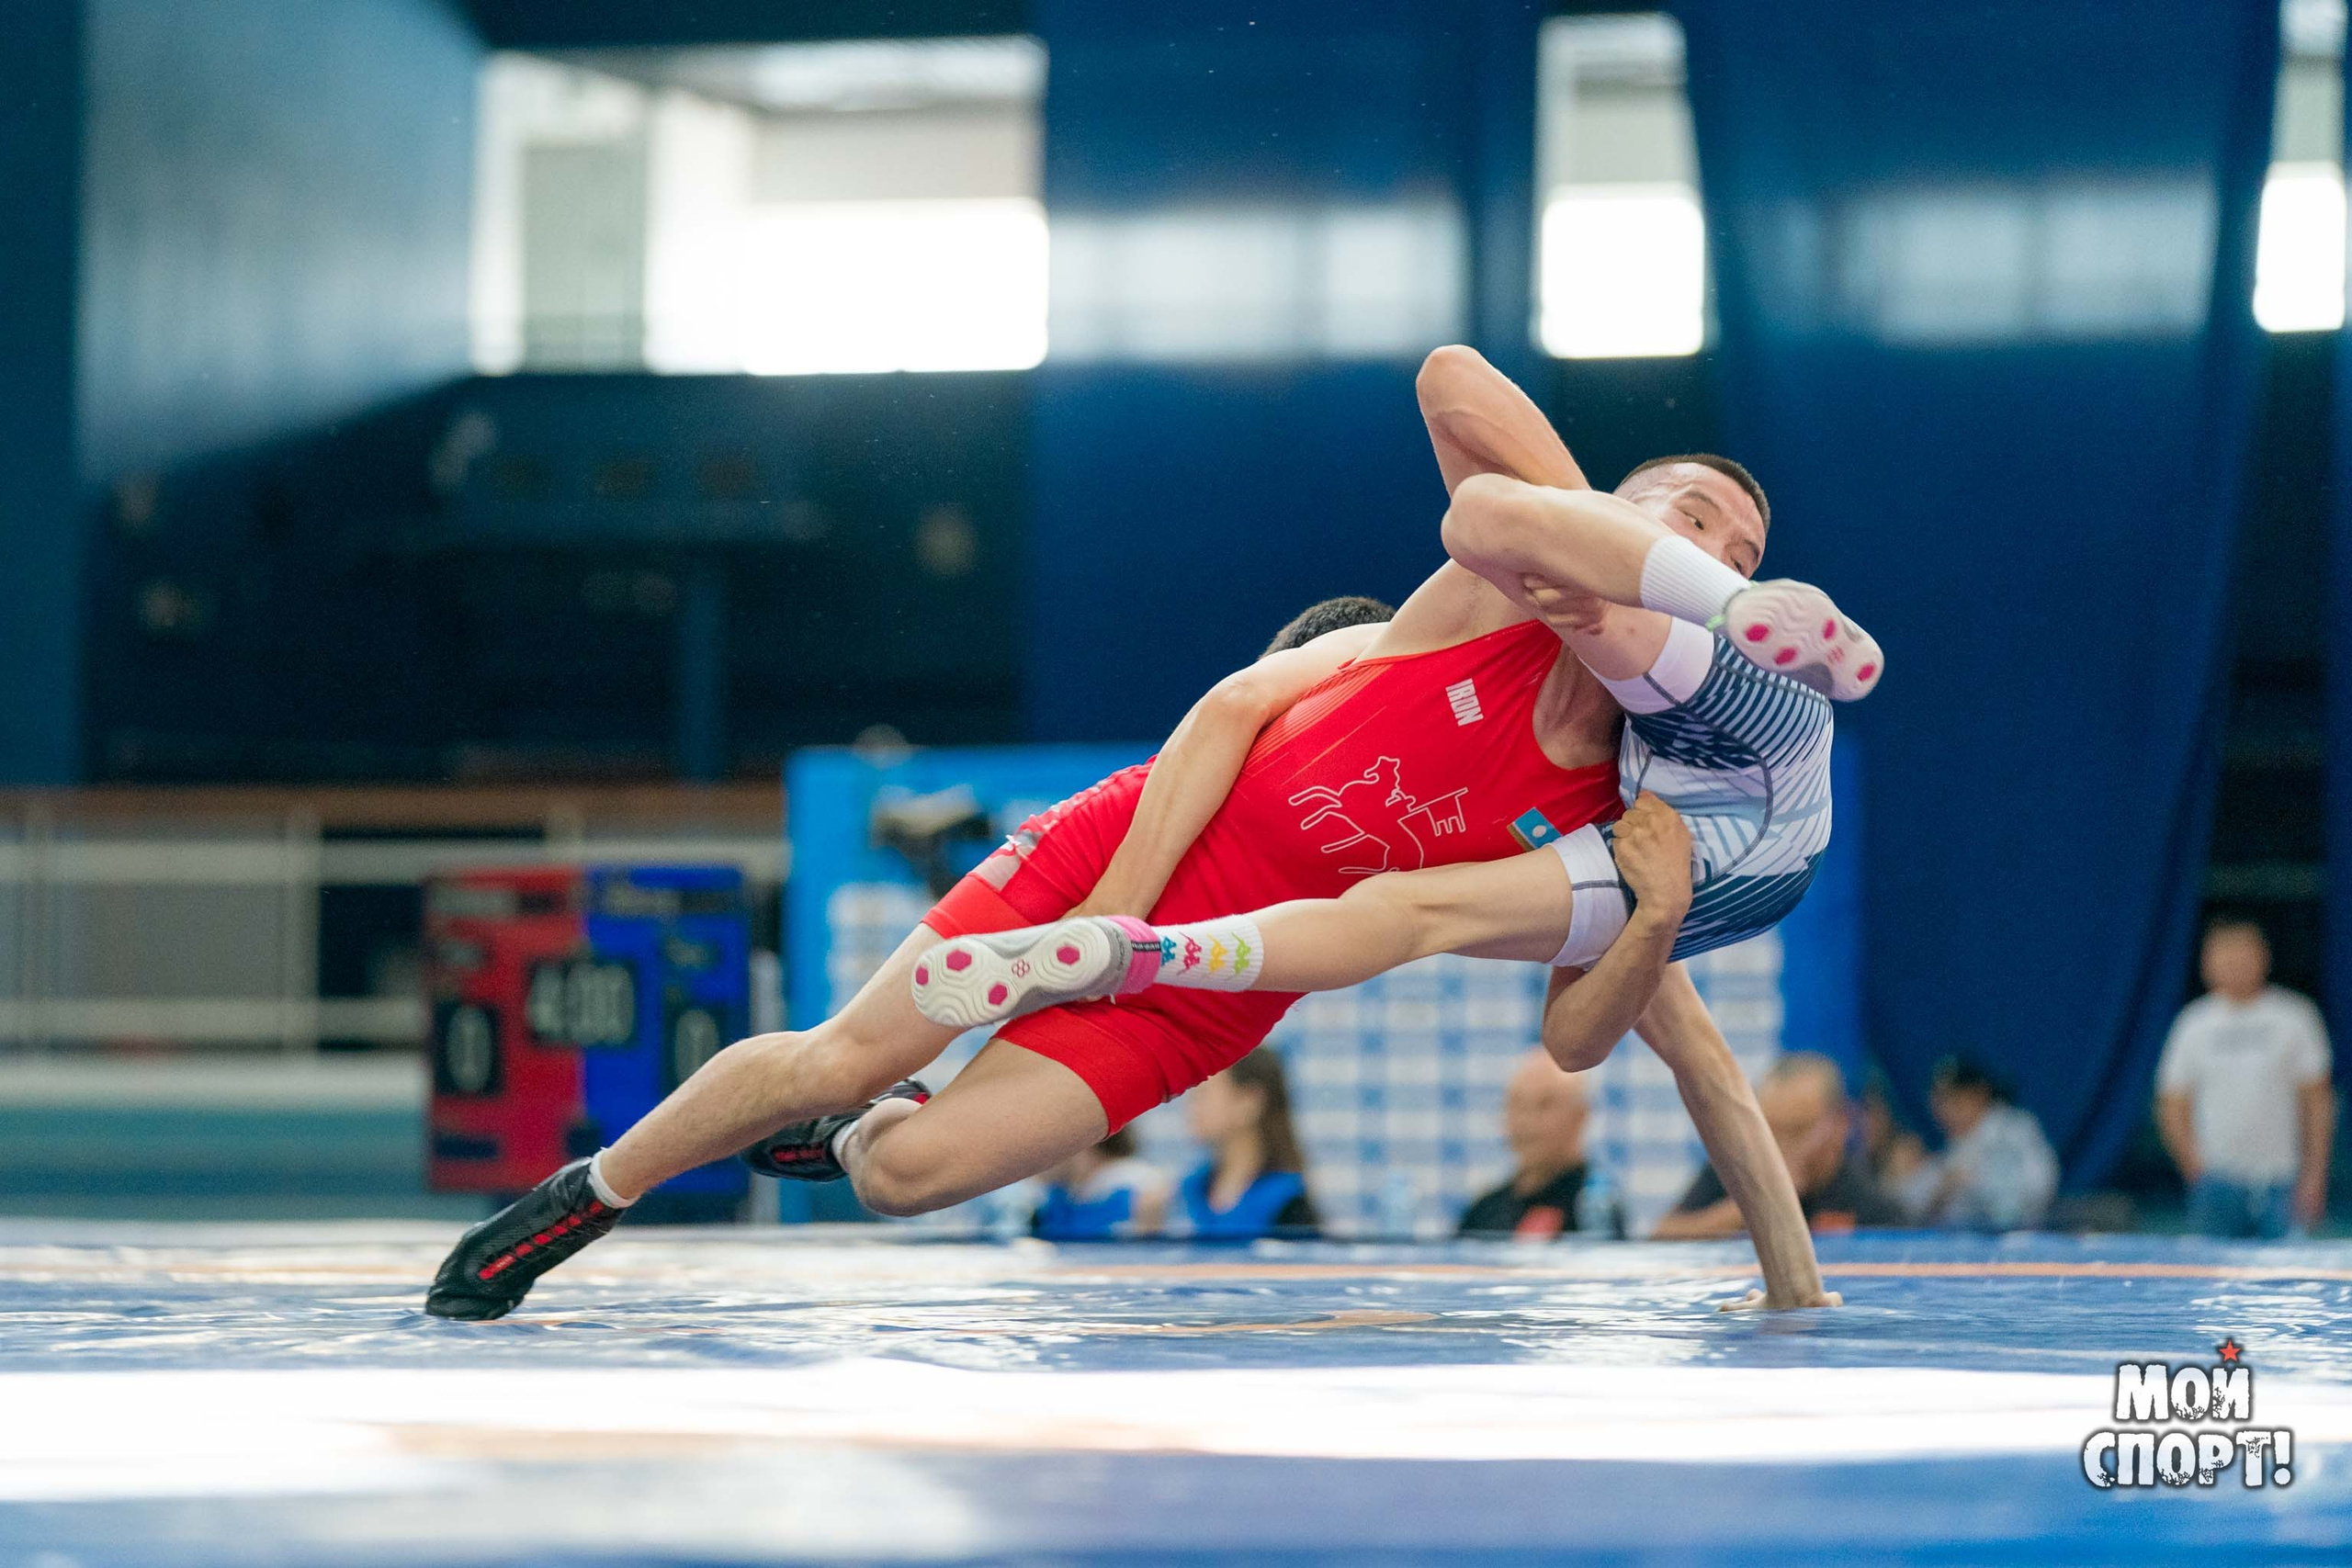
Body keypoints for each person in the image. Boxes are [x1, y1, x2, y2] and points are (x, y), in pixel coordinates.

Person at [427, 347, 1835, 1319]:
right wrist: (1092, 928)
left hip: (1205, 985)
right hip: (1118, 861)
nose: (1719, 545)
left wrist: (1798, 1291)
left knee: (899, 1177)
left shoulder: (1630, 801)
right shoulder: (1480, 594)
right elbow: (1435, 403)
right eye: (1691, 515)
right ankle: (587, 1192)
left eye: (1743, 551)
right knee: (836, 1044)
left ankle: (881, 1125)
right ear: (1626, 520)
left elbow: (1692, 1056)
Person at [2156, 919, 2335, 1239]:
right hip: (2217, 1182)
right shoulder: (2193, 1024)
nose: (2234, 963)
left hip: (2281, 1180)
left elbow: (2318, 1102)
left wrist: (2314, 1175)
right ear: (2206, 963)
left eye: (2243, 953)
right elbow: (2172, 1104)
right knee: (2212, 1277)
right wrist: (2195, 1168)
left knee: (2288, 1279)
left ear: (2263, 957)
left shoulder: (2294, 1017)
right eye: (2224, 954)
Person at [1653, 1054, 1903, 1238]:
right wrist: (1755, 1205)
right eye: (1770, 1131)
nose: (1780, 1146)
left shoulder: (1869, 1204)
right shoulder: (1733, 1171)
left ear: (1840, 1124)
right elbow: (1661, 1236)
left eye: (1798, 1130)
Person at [1457, 1051, 1618, 1239]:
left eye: (1545, 1105)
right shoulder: (1485, 1209)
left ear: (1580, 1116)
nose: (1527, 1121)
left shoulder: (1595, 1208)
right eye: (1517, 1104)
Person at [1894, 1056, 2058, 1232]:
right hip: (1964, 1246)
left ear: (1980, 1094)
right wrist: (1940, 1189)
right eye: (1941, 1103)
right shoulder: (1958, 1145)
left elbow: (2039, 1186)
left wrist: (1974, 1184)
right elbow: (1908, 1203)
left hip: (2016, 1243)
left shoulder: (2012, 1129)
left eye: (1956, 1100)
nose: (1947, 1111)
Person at [1172, 1048, 1319, 1239]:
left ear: (1248, 1101)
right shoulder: (1190, 1189)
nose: (1192, 1108)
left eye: (1203, 1094)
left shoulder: (1288, 1202)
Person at [1030, 1126, 1170, 1240]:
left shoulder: (1140, 1186)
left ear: (1080, 1141)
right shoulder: (1056, 1195)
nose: (1032, 1157)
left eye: (1042, 1145)